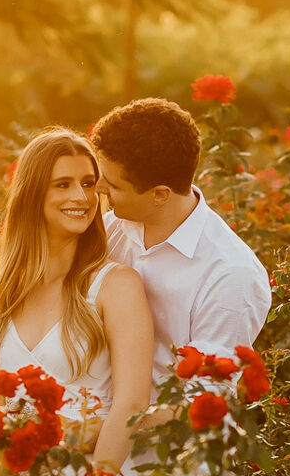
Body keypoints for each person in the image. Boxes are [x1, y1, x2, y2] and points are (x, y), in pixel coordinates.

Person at [0, 128, 154, 476]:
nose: (81, 197)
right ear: (33, 194)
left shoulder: (114, 285)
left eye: (89, 184)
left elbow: (131, 403)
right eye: (63, 184)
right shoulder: (9, 290)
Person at [89, 98, 272, 404]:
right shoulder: (108, 231)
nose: (98, 188)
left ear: (160, 194)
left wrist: (113, 430)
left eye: (113, 185)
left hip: (164, 446)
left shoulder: (229, 274)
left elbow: (201, 400)